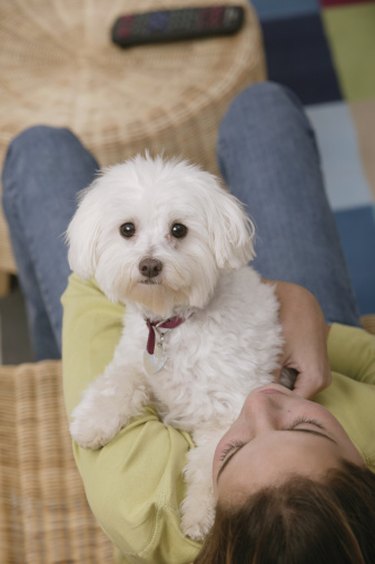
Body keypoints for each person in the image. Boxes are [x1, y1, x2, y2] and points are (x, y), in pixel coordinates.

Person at [2, 82, 375, 563]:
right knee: (263, 105)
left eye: (233, 450)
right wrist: (303, 307)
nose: (261, 402)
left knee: (38, 150)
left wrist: (120, 272)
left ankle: (48, 354)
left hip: (196, 308)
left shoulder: (142, 505)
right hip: (281, 320)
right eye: (305, 427)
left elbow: (87, 293)